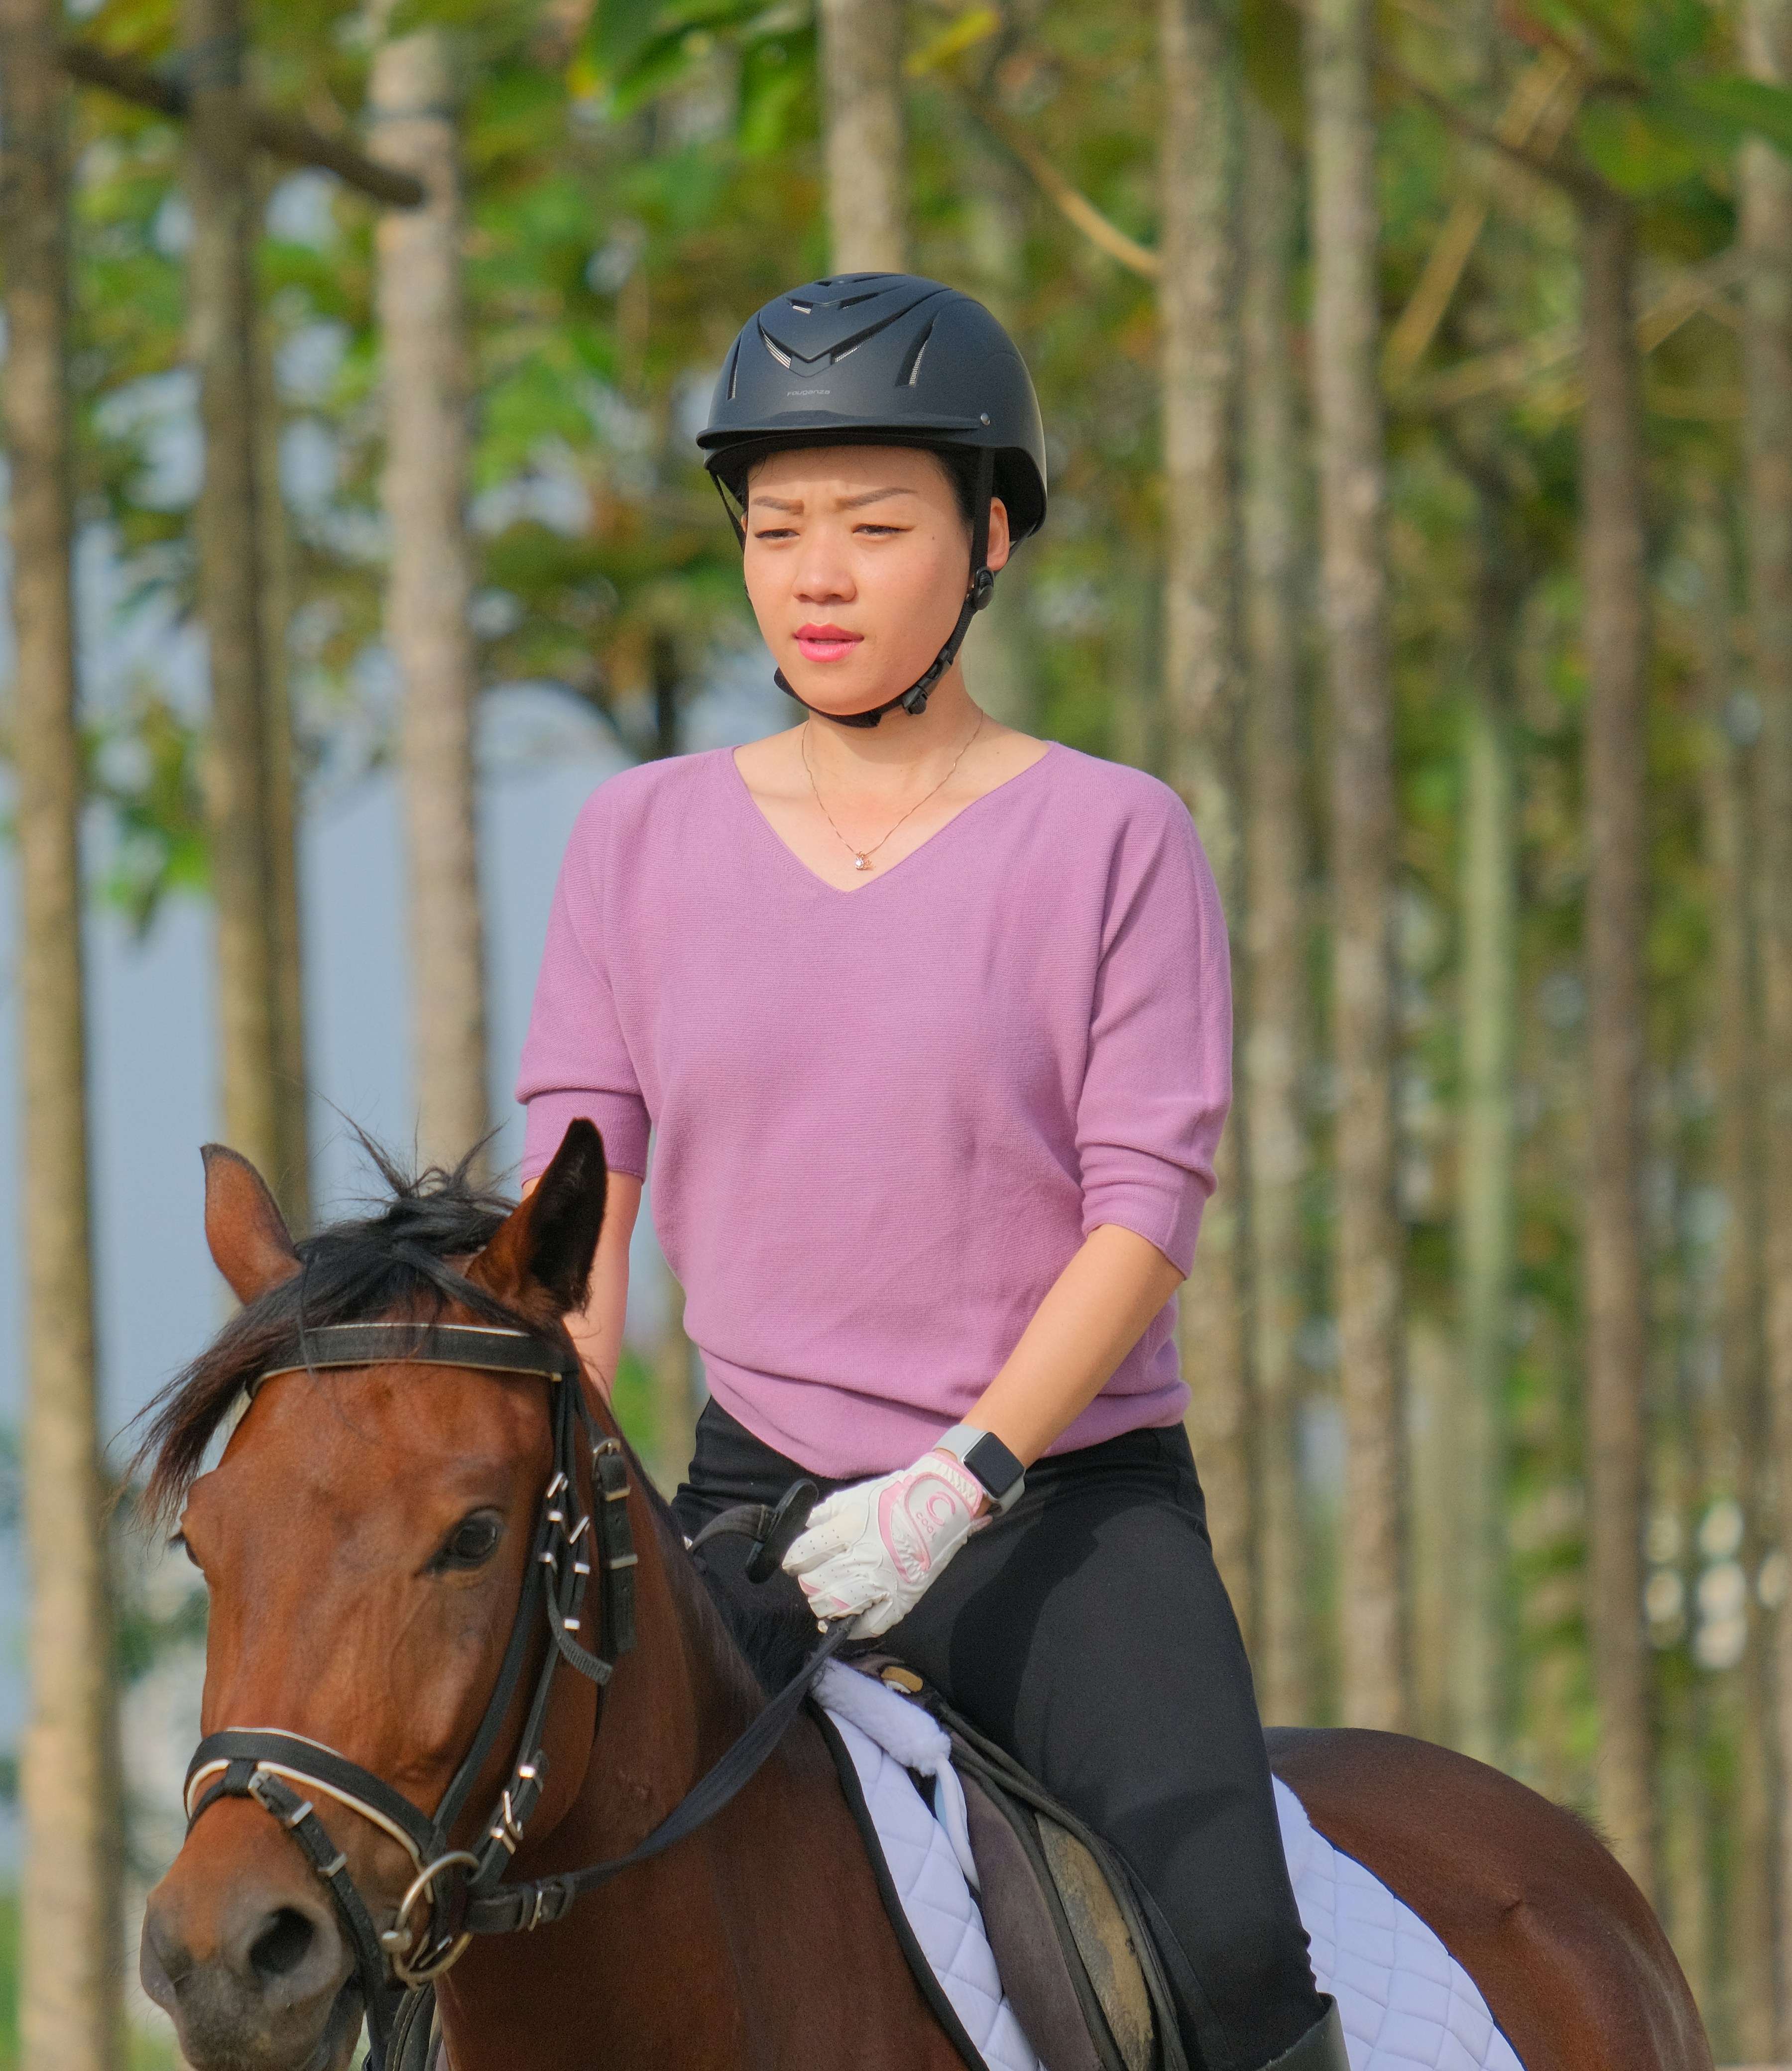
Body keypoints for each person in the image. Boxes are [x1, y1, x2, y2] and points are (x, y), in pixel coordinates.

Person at [514, 273, 1343, 2071]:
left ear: (986, 541)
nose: (816, 576)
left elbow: (1147, 1208)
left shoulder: (1114, 834)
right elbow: (583, 1173)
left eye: (874, 527)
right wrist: (567, 1404)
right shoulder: (635, 839)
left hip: (1056, 1511)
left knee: (1229, 1946)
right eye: (778, 527)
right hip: (752, 1510)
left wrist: (962, 1479)